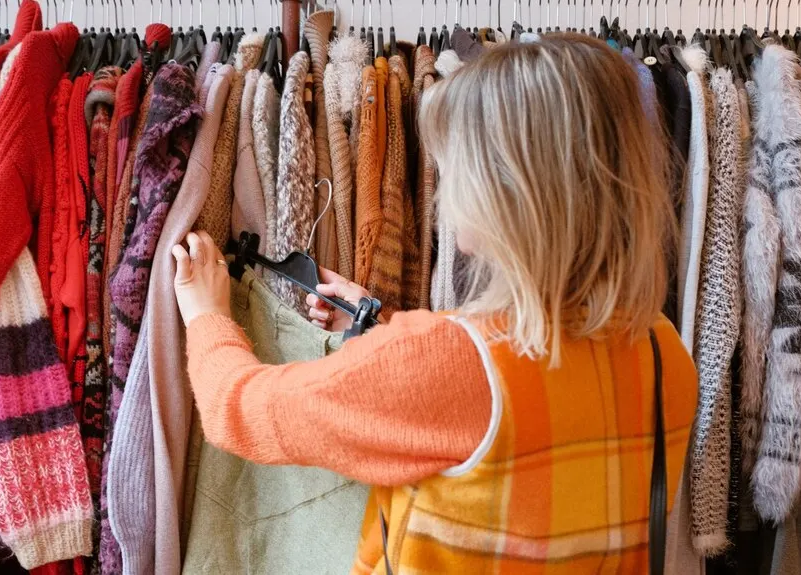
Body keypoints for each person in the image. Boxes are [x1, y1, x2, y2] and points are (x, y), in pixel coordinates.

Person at [173, 36, 698, 574]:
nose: (447, 193)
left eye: (456, 170)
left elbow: (238, 409)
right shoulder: (663, 354)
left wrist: (207, 312)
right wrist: (378, 325)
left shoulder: (444, 365)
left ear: (507, 194)